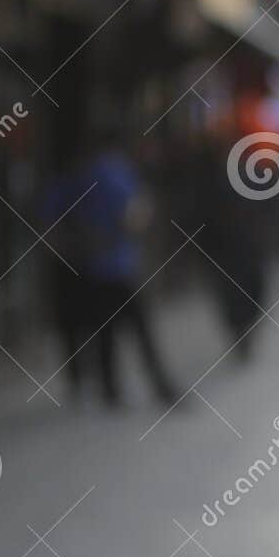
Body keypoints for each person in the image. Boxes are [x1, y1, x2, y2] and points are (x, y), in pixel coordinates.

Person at [42, 124, 180, 408]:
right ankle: (160, 385)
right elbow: (136, 214)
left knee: (102, 329)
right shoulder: (114, 171)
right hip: (118, 265)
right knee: (140, 329)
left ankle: (109, 389)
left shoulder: (71, 178)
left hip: (86, 268)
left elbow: (49, 225)